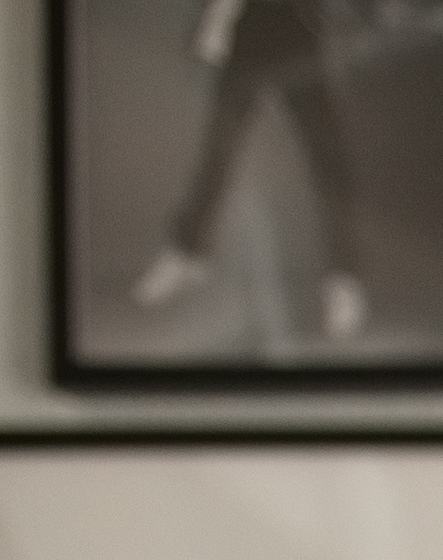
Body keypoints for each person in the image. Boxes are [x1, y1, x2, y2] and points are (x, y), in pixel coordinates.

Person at [124, 0, 368, 352]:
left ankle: (344, 281)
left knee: (329, 161)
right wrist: (218, 19)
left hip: (300, 27)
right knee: (220, 148)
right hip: (254, 26)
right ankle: (187, 253)